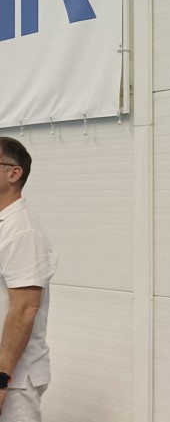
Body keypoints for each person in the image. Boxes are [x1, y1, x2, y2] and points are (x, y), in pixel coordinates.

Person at [0, 137, 58, 422]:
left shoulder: (23, 231)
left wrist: (2, 379)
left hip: (14, 381)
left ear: (14, 173)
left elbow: (25, 309)